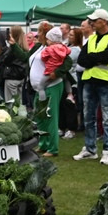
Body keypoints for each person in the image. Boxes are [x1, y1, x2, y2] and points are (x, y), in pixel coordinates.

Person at [73, 8, 108, 165]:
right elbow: (82, 59)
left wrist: (92, 59)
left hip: (107, 82)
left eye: (95, 21)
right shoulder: (93, 39)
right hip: (90, 81)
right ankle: (90, 149)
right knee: (89, 117)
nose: (92, 23)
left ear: (104, 21)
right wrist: (97, 59)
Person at [29, 27, 71, 157]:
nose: (40, 36)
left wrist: (56, 73)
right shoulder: (40, 47)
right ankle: (43, 143)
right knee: (40, 116)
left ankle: (53, 148)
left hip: (51, 85)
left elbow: (67, 62)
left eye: (42, 33)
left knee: (50, 116)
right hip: (40, 87)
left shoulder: (58, 48)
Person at [0, 25, 30, 103]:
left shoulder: (13, 48)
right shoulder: (25, 47)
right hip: (22, 78)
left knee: (10, 103)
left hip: (11, 77)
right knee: (19, 103)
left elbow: (5, 60)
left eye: (10, 33)